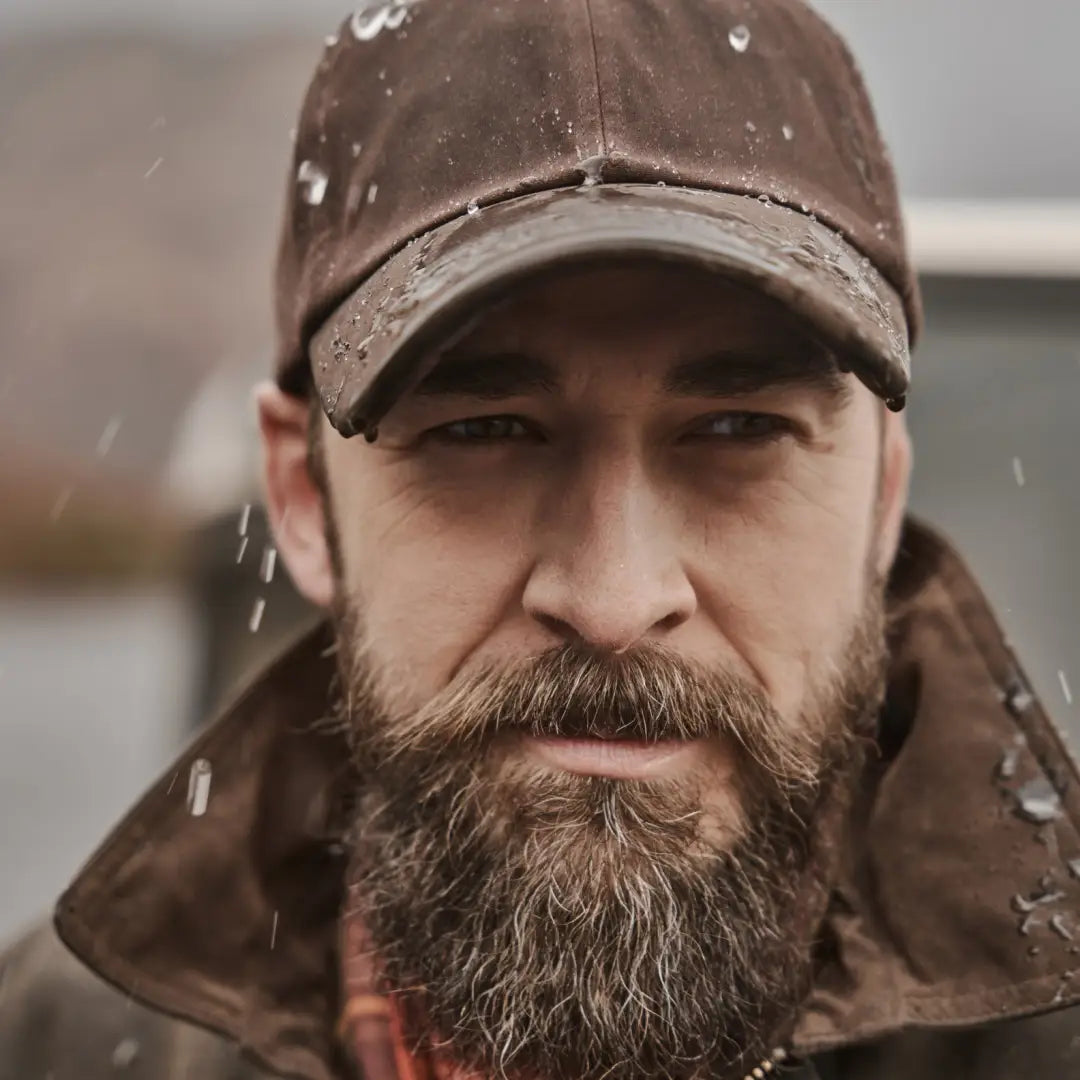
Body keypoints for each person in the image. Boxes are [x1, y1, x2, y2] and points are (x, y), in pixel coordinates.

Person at [2, 1, 1078, 1078]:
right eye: (482, 432)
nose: (615, 598)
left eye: (739, 431)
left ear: (882, 497)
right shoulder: (59, 1048)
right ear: (300, 498)